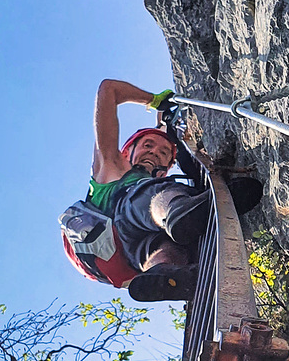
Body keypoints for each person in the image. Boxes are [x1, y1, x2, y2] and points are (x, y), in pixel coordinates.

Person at [73, 79, 261, 301]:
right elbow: (108, 89)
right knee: (151, 194)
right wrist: (152, 101)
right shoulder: (110, 166)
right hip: (125, 216)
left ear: (167, 167)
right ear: (126, 152)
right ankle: (176, 212)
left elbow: (162, 139)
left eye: (164, 153)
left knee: (169, 249)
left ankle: (164, 273)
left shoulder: (154, 178)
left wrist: (164, 126)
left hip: (130, 253)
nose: (154, 152)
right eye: (147, 145)